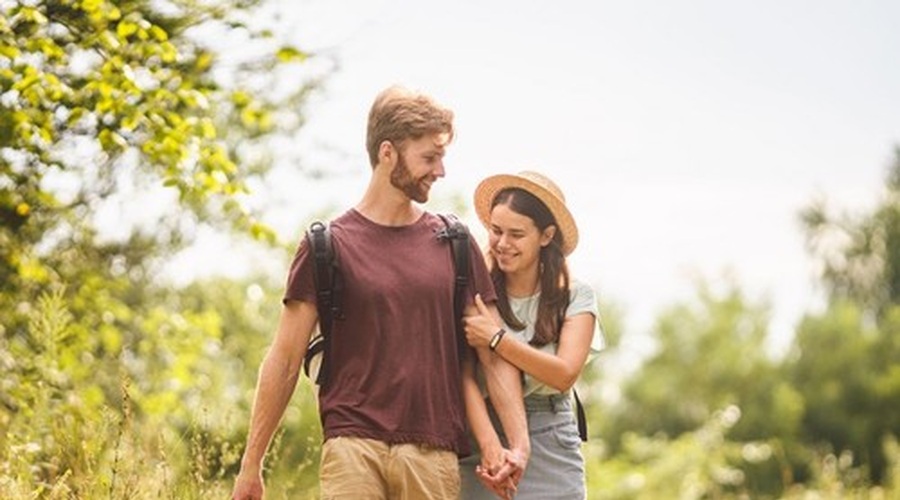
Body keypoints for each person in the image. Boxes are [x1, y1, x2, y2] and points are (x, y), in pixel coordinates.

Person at [231, 85, 530, 500]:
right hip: (351, 449)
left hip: (431, 453)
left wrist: (519, 444)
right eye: (429, 157)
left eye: (441, 157)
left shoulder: (455, 242)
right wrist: (251, 464)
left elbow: (492, 356)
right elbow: (283, 359)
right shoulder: (326, 247)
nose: (440, 171)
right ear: (387, 152)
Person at [460, 171, 604, 499]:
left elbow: (564, 374)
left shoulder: (575, 297)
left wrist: (498, 339)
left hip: (551, 433)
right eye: (496, 231)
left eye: (517, 234)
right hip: (483, 433)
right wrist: (490, 445)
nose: (502, 244)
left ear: (546, 236)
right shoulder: (476, 294)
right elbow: (463, 376)